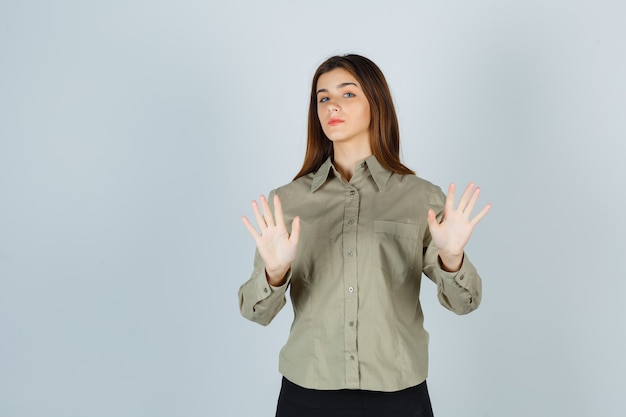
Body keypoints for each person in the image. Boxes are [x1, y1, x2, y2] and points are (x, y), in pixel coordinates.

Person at [238, 54, 491, 417]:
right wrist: (273, 273)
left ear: (376, 102)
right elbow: (256, 312)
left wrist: (452, 259)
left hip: (397, 396)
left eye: (348, 94)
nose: (332, 106)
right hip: (308, 394)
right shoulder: (287, 202)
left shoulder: (421, 198)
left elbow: (465, 303)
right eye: (323, 98)